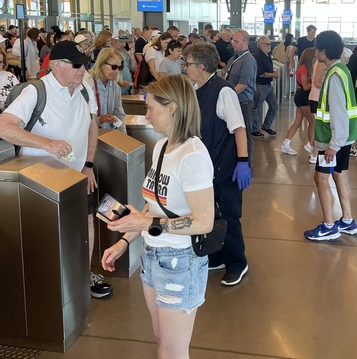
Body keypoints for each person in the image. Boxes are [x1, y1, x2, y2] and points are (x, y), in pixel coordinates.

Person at [101, 75, 215, 357]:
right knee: (160, 337)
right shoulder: (163, 147)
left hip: (180, 263)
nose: (147, 115)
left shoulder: (193, 156)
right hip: (152, 257)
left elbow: (204, 221)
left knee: (172, 351)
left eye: (151, 108)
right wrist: (124, 242)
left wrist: (145, 223)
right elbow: (152, 207)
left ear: (173, 108)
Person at [0, 41, 113, 299]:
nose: (83, 70)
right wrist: (47, 144)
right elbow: (2, 127)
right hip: (40, 181)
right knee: (46, 232)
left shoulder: (83, 89)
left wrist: (88, 164)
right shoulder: (36, 92)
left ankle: (81, 274)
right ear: (57, 65)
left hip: (76, 175)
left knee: (86, 221)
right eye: (77, 65)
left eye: (85, 64)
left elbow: (91, 126)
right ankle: (47, 286)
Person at [183, 43, 251, 286]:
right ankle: (217, 255)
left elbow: (239, 129)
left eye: (188, 63)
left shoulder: (224, 92)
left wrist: (242, 162)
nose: (185, 67)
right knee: (209, 212)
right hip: (205, 166)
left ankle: (237, 262)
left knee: (229, 214)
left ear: (201, 67)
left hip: (226, 166)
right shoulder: (195, 88)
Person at [304, 31, 357, 241]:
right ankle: (347, 220)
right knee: (338, 174)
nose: (315, 52)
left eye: (317, 48)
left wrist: (333, 145)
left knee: (321, 178)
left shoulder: (334, 75)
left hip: (334, 141)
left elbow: (338, 111)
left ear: (323, 51)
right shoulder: (341, 70)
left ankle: (328, 225)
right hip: (342, 139)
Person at [225, 29, 256, 161]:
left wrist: (227, 95)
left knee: (245, 135)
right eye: (233, 40)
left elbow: (243, 84)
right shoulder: (234, 58)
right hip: (234, 102)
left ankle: (246, 165)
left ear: (245, 42)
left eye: (236, 41)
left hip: (244, 104)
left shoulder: (248, 60)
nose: (233, 43)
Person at [280, 47, 316, 156]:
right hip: (304, 97)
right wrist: (315, 84)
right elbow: (305, 86)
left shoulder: (301, 67)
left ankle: (286, 144)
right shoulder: (304, 69)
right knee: (313, 122)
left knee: (297, 122)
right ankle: (311, 144)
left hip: (300, 96)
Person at [88, 47, 127, 134]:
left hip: (108, 136)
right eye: (113, 67)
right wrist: (100, 120)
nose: (117, 71)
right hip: (89, 135)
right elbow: (80, 118)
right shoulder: (87, 84)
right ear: (101, 64)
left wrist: (124, 138)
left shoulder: (115, 87)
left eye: (120, 67)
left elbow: (119, 114)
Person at [251, 35, 279, 137]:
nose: (269, 45)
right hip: (260, 86)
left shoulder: (267, 55)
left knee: (274, 106)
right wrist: (273, 74)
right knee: (256, 109)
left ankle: (266, 126)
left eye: (269, 43)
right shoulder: (258, 57)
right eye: (267, 44)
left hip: (268, 85)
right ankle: (254, 130)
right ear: (260, 45)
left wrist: (273, 72)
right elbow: (260, 73)